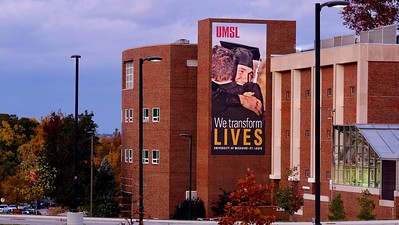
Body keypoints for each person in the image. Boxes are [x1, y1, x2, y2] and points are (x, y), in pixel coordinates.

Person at [211, 45, 262, 118]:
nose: (246, 79)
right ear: (231, 70)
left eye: (250, 75)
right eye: (241, 71)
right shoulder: (214, 90)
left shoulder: (252, 91)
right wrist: (240, 99)